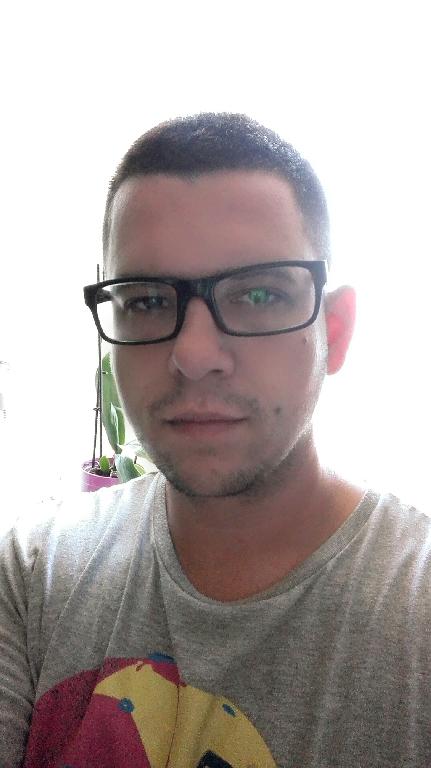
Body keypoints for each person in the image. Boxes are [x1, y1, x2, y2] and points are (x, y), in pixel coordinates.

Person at [1, 113, 430, 768]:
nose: (194, 354)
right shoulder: (33, 574)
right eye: (147, 301)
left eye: (258, 293)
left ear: (335, 331)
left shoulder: (414, 607)